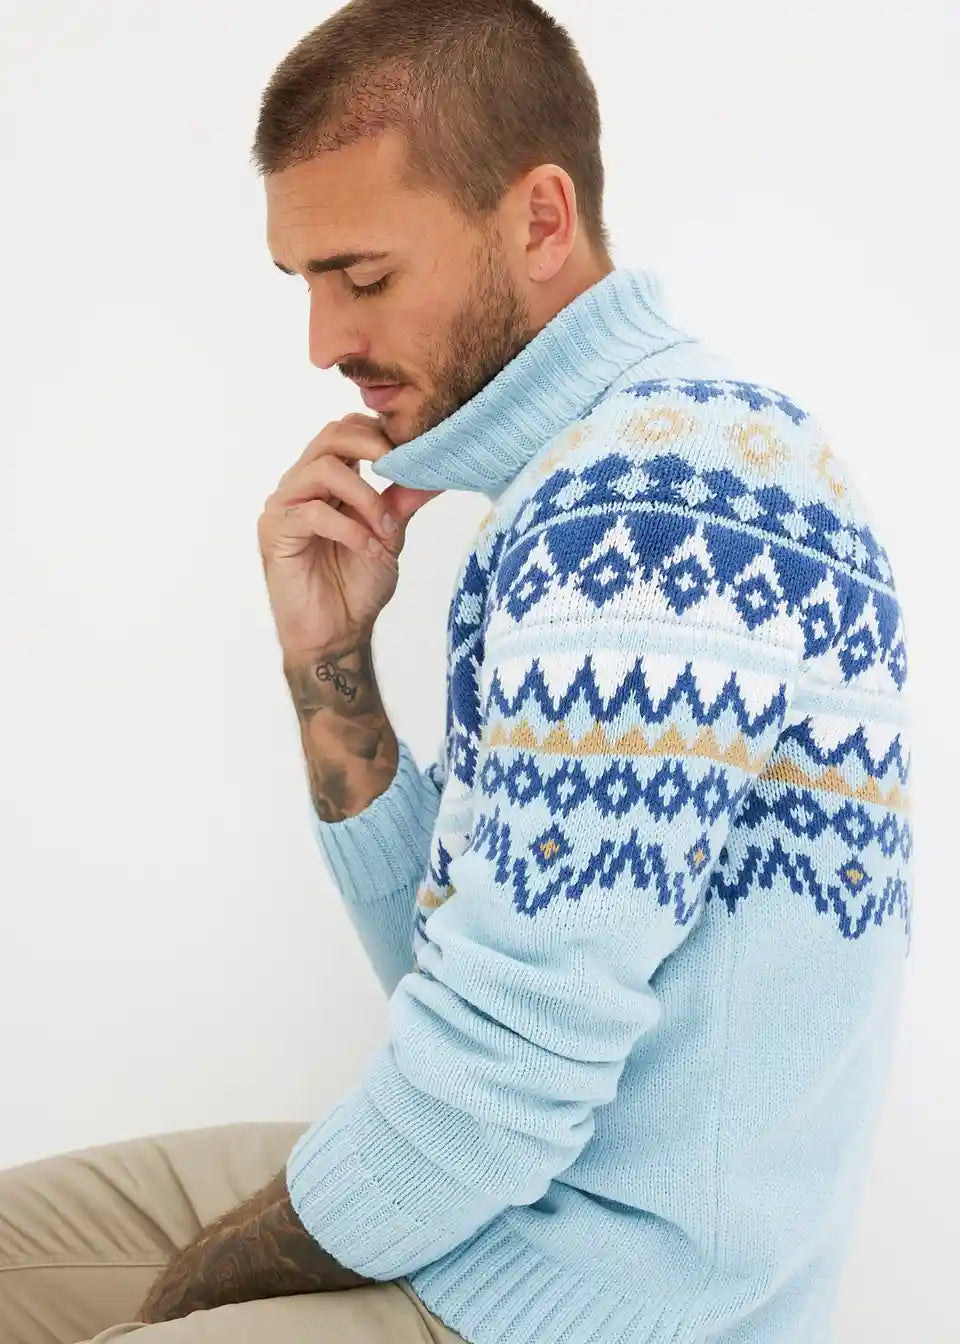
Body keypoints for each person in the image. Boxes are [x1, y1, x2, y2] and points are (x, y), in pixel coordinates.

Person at [0, 0, 913, 1341]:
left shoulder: (654, 506)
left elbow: (496, 1086)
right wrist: (330, 661)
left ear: (539, 220)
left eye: (362, 278)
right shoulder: (597, 478)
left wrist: (199, 1288)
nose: (322, 341)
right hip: (509, 1209)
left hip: (605, 1298)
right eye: (304, 282)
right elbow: (457, 983)